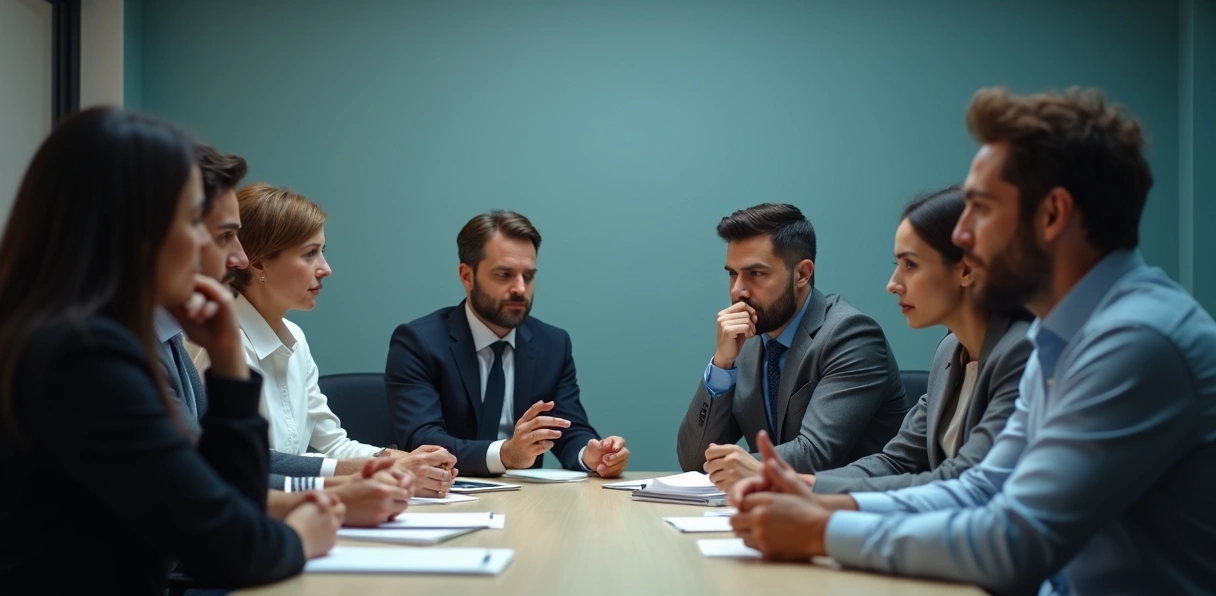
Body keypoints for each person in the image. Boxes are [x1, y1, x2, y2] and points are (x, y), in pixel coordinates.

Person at [730, 87, 1216, 596]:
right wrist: (826, 503)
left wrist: (823, 530)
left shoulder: (1135, 340)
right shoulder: (1067, 335)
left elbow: (1015, 540)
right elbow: (981, 488)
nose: (962, 233)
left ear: (1053, 213)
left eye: (981, 209)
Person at [0, 107, 342, 596]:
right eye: (193, 224)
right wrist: (302, 535)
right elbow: (228, 546)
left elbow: (229, 499)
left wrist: (228, 361)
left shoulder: (103, 337)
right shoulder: (83, 356)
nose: (223, 255)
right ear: (131, 228)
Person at [195, 183, 458, 497]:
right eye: (309, 254)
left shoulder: (296, 337)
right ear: (260, 262)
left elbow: (332, 443)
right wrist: (383, 468)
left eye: (322, 252)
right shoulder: (215, 344)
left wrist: (394, 459)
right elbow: (247, 463)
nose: (326, 269)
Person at [808, 186, 1033, 494]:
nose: (893, 284)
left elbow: (961, 480)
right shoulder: (949, 350)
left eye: (910, 264)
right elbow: (896, 462)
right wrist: (800, 483)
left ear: (966, 268)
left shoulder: (1021, 351)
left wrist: (810, 491)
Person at [676, 203, 907, 491]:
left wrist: (744, 467)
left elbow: (816, 454)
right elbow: (694, 460)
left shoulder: (851, 334)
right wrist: (722, 363)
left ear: (802, 274)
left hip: (853, 516)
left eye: (756, 273)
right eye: (733, 274)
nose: (737, 290)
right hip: (779, 514)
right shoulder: (749, 340)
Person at [386, 210, 630, 478]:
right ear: (467, 276)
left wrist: (592, 454)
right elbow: (423, 440)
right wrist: (505, 454)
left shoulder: (553, 344)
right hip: (447, 493)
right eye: (504, 274)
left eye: (528, 276)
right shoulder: (419, 342)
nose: (520, 289)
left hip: (527, 502)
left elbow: (568, 430)